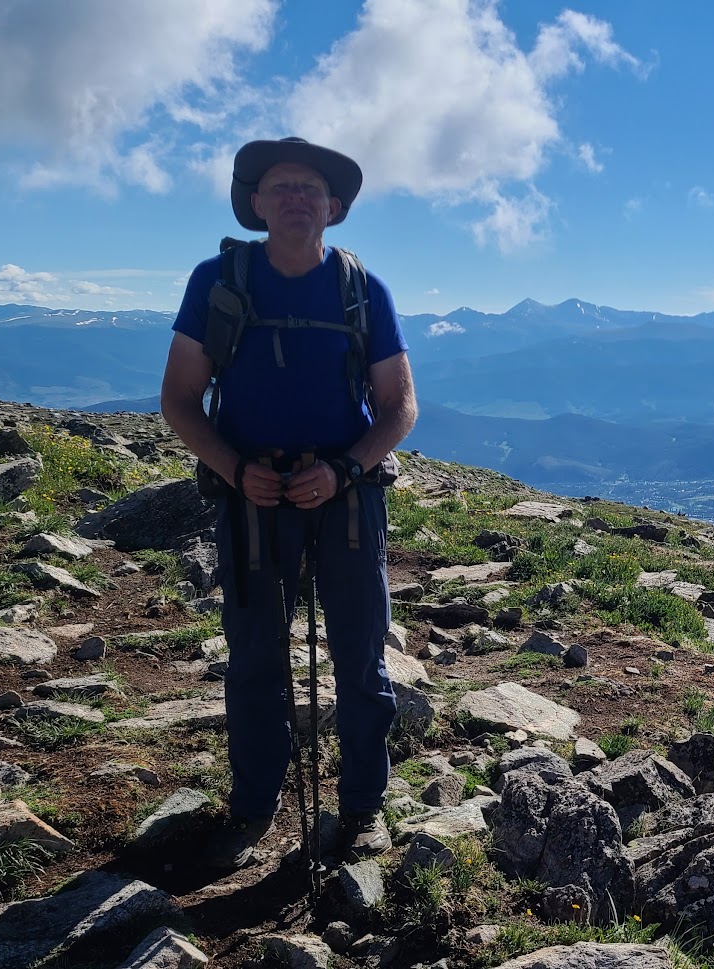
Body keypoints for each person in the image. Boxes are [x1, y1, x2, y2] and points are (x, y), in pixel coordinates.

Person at [160, 137, 417, 869]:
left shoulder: (363, 290)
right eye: (281, 186)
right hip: (253, 499)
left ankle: (362, 808)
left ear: (333, 207)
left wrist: (344, 470)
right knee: (253, 659)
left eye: (310, 188)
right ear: (257, 204)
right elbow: (179, 398)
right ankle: (253, 807)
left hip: (345, 497)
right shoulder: (218, 281)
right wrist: (235, 470)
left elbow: (399, 407)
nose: (297, 197)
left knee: (360, 655)